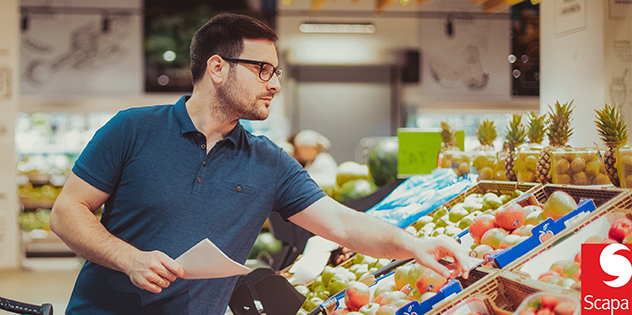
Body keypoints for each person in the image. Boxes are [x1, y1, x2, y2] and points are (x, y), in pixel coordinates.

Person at [50, 13, 469, 315]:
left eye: (277, 71)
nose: (275, 83)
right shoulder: (132, 129)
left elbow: (341, 224)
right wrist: (129, 258)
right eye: (263, 69)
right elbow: (67, 212)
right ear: (217, 68)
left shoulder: (269, 162)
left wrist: (413, 245)